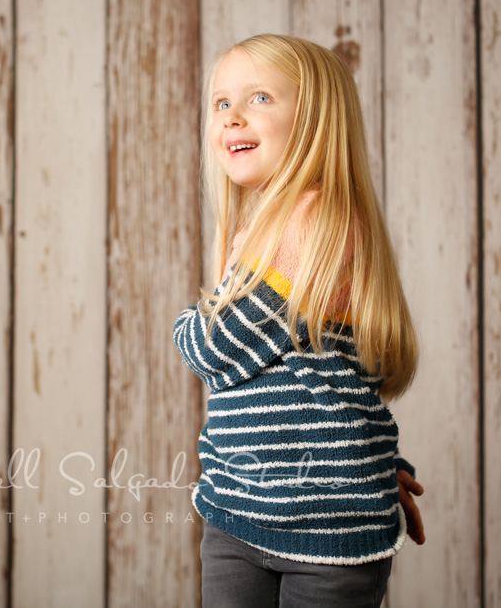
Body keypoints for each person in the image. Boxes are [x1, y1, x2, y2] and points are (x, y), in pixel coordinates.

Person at [172, 34, 426, 607]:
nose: (233, 115)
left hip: (318, 535)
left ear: (313, 121)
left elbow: (210, 350)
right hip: (244, 511)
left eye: (259, 97)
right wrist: (374, 462)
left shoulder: (315, 223)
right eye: (221, 103)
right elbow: (326, 375)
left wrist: (190, 322)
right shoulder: (267, 229)